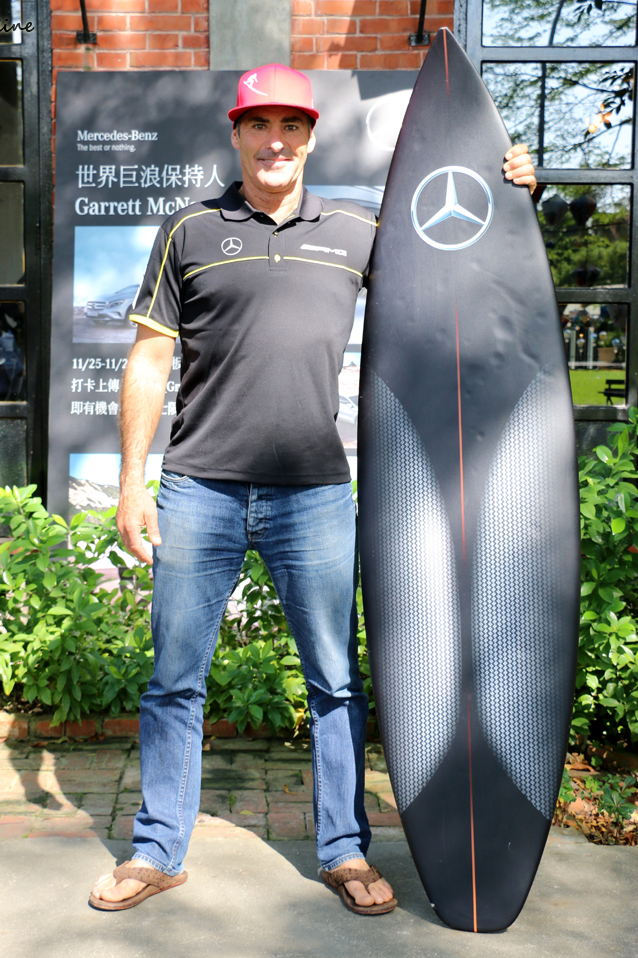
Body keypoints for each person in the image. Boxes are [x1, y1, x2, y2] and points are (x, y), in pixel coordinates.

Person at [90, 63, 537, 915]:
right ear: (236, 133)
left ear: (310, 137)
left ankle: (344, 850)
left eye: (291, 125)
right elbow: (149, 359)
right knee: (175, 680)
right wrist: (131, 483)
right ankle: (156, 850)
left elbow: (458, 265)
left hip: (314, 496)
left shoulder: (358, 231)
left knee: (335, 681)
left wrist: (514, 192)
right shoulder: (190, 230)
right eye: (259, 124)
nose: (275, 141)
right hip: (199, 489)